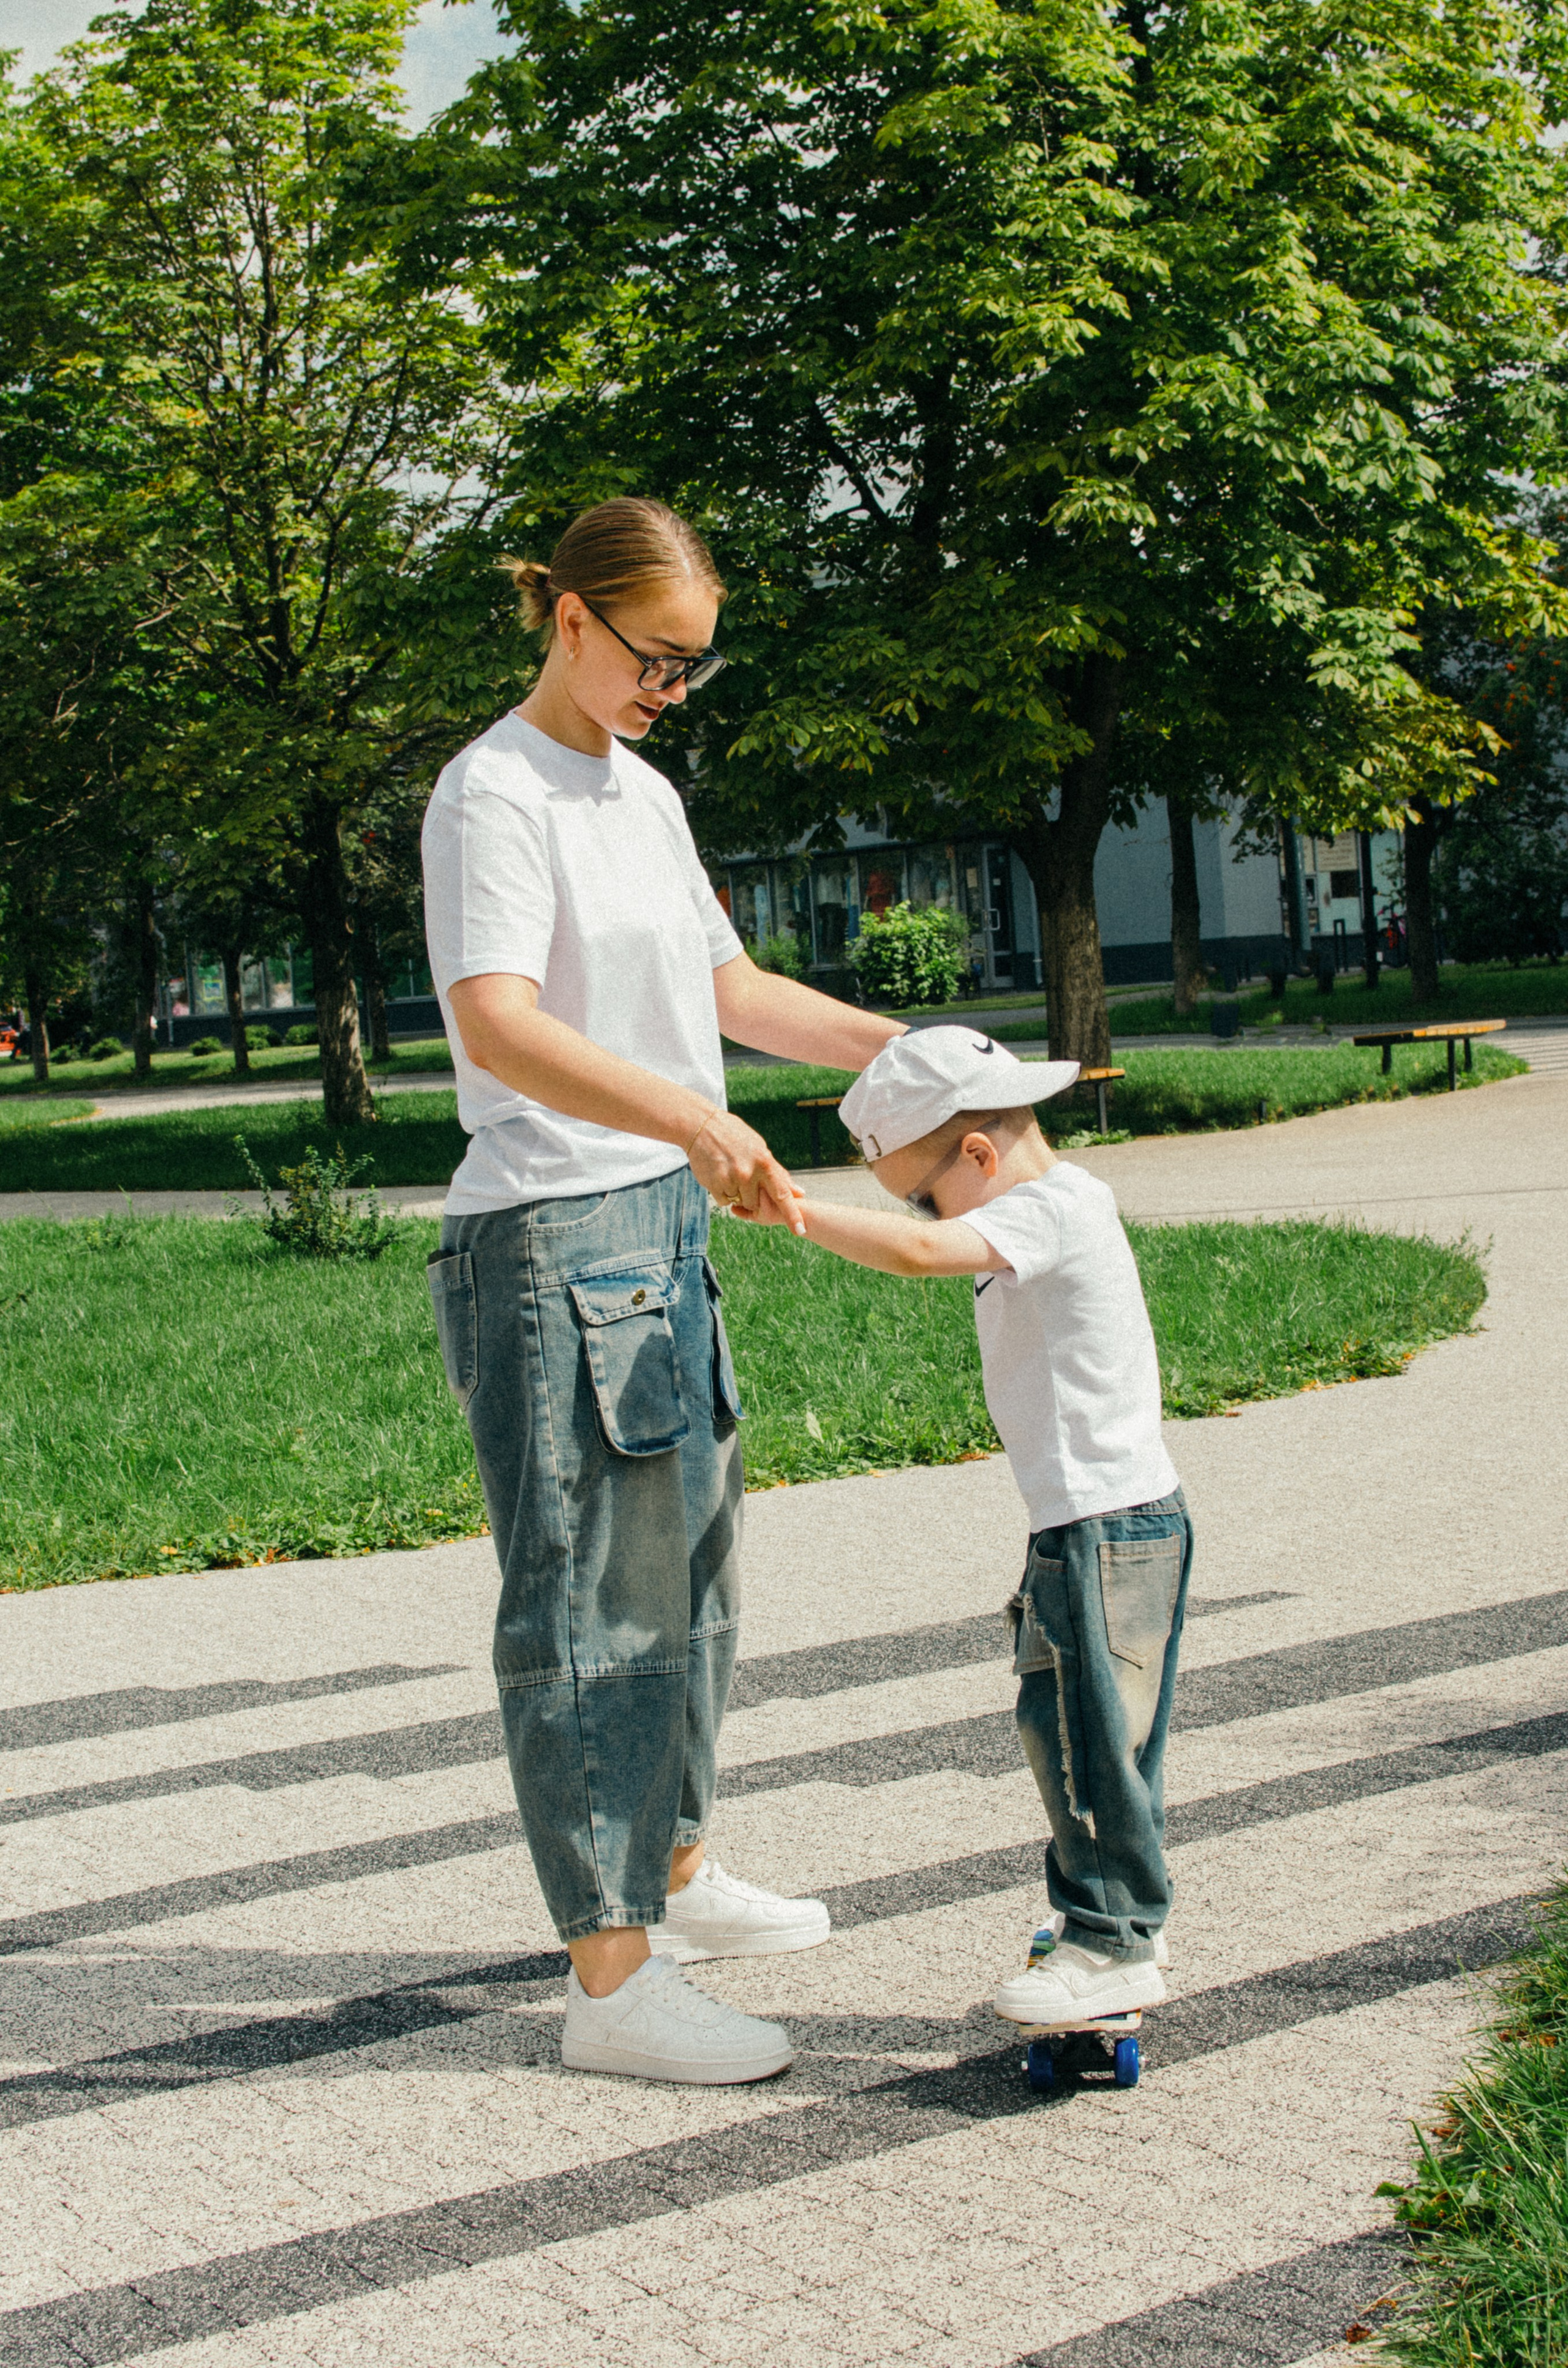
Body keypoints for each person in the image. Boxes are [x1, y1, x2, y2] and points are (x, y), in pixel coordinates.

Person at [421, 496, 905, 2087]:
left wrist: (903, 1054)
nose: (670, 691)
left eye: (692, 670)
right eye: (655, 660)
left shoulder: (644, 793)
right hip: (557, 1237)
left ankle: (676, 1879)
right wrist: (698, 1118)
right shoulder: (495, 796)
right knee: (588, 1609)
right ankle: (611, 1981)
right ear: (568, 617)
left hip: (657, 1226)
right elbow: (496, 1024)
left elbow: (729, 989)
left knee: (690, 1574)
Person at [733, 1026, 1191, 2029]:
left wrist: (799, 1212)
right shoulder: (1049, 1205)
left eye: (920, 1189)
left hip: (1101, 1527)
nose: (918, 1210)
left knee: (1083, 1738)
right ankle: (1114, 1917)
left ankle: (1111, 1938)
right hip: (1100, 1520)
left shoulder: (1050, 1207)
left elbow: (918, 1253)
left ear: (979, 1156)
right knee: (1087, 1730)